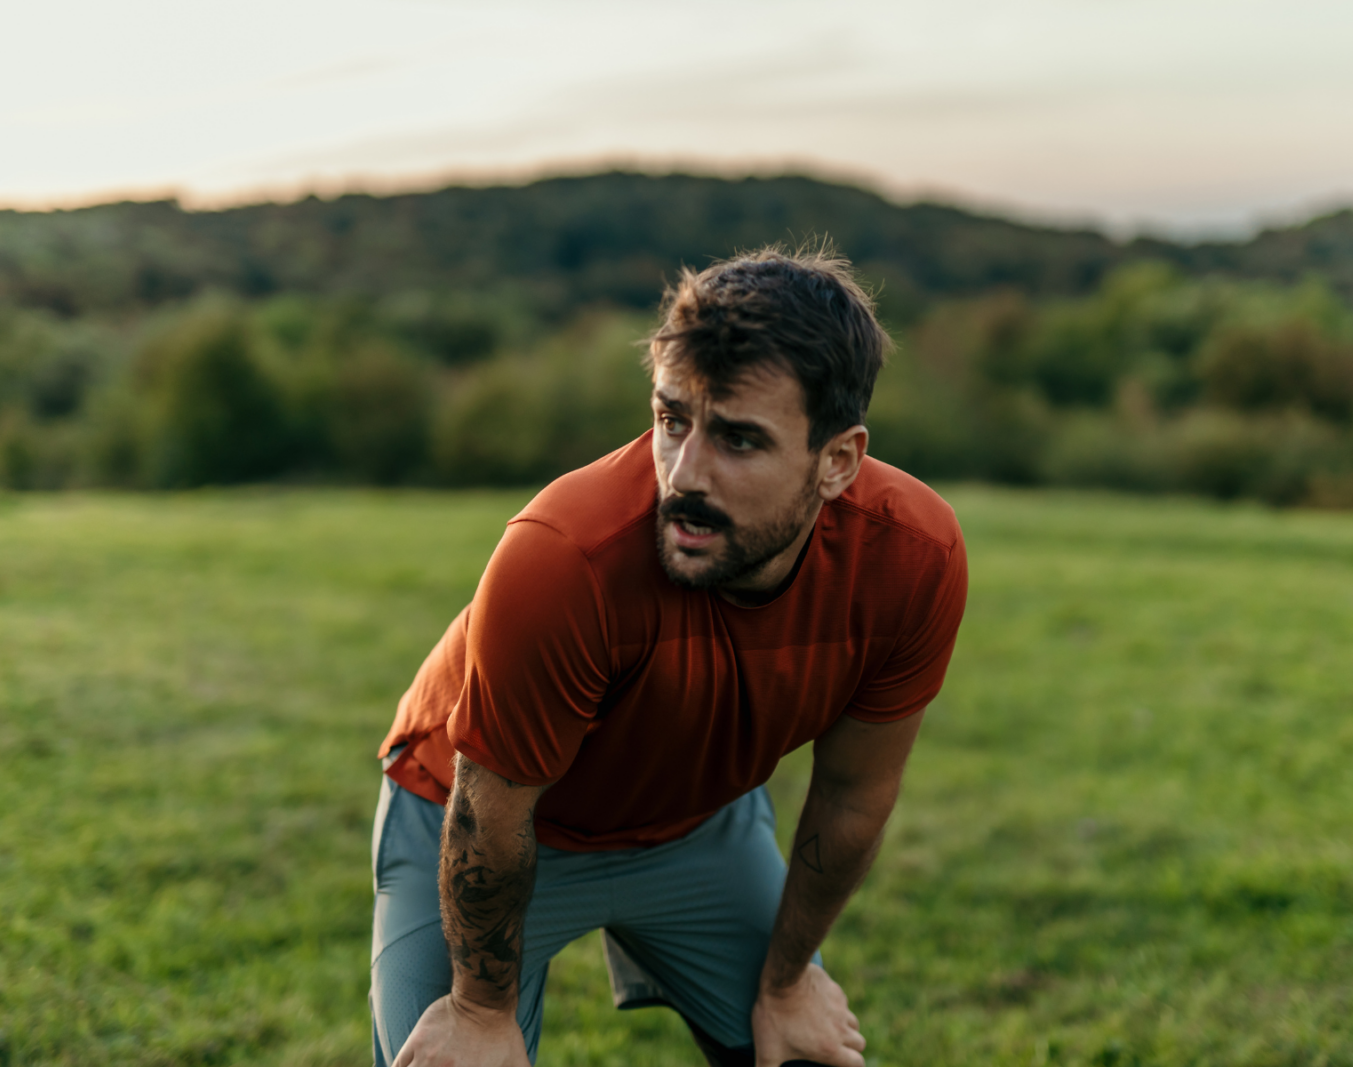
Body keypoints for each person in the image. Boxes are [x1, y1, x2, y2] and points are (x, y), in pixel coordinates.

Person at [369, 246, 969, 1067]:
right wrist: (478, 1009)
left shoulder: (913, 556)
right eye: (671, 419)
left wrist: (788, 981)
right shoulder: (562, 555)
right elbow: (492, 809)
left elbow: (854, 790)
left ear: (838, 462)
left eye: (739, 440)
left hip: (697, 827)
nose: (684, 475)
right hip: (484, 815)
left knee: (801, 1054)